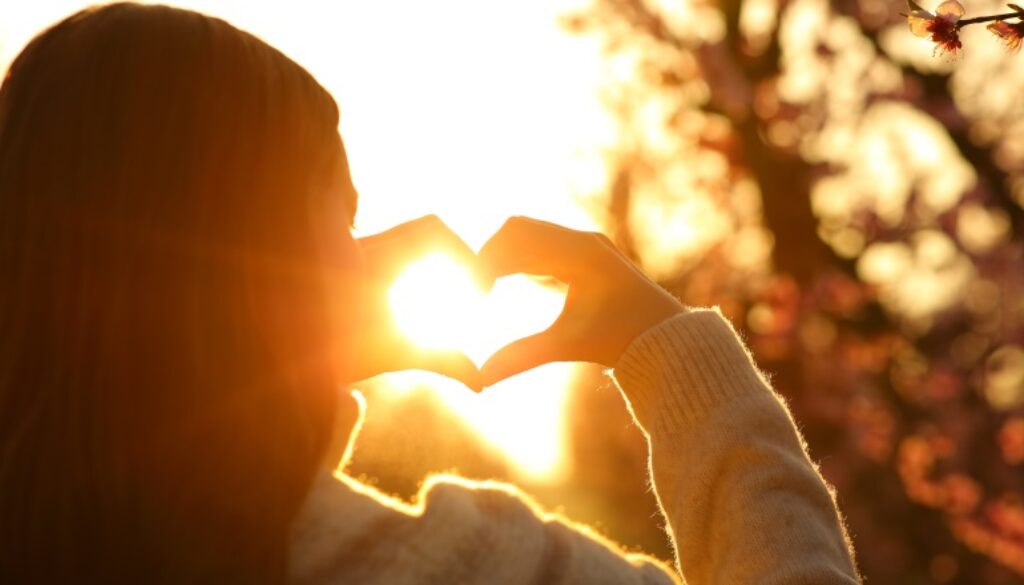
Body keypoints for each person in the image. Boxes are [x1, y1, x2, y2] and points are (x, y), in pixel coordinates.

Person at [0, 3, 860, 584]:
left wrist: (279, 378)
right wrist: (676, 353)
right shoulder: (455, 564)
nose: (363, 250)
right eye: (340, 218)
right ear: (260, 259)